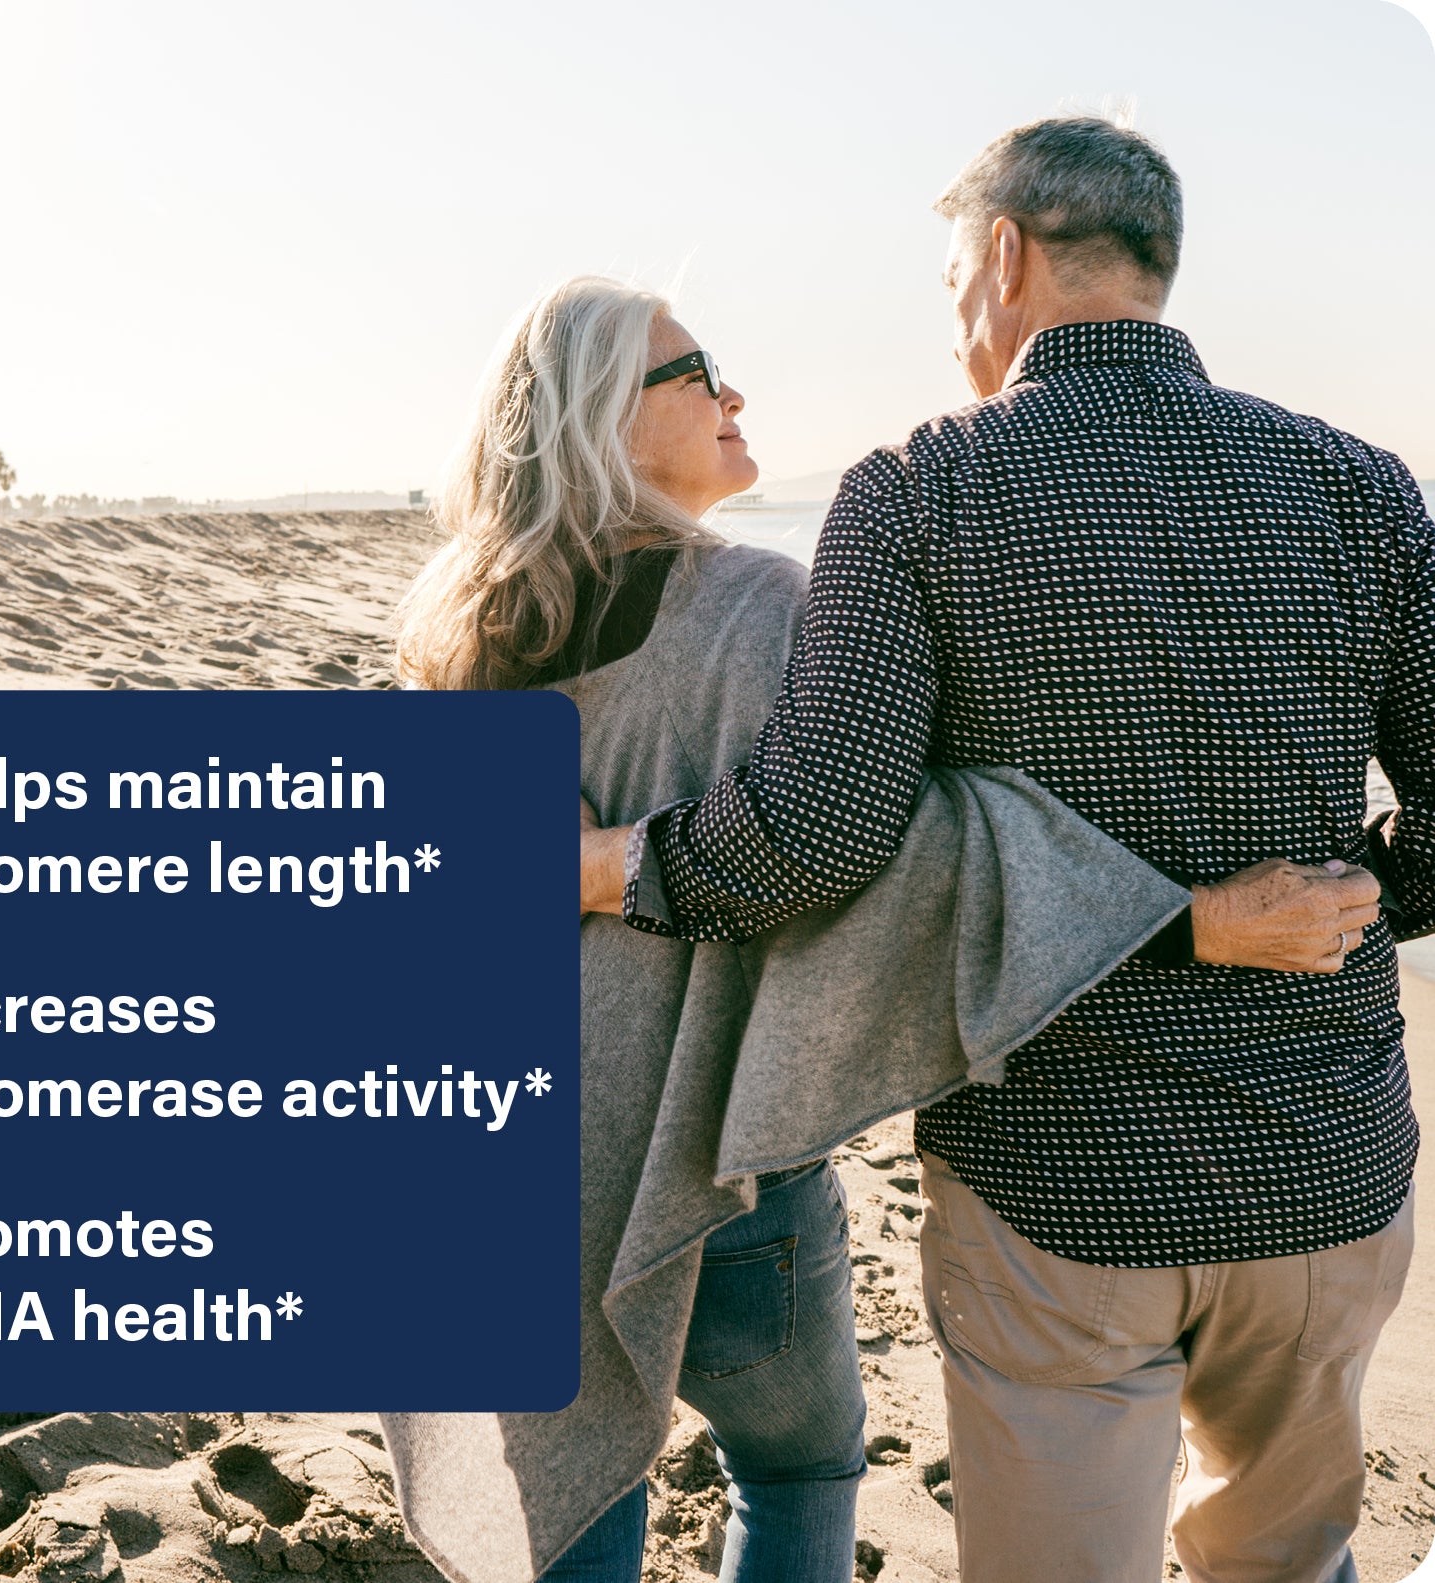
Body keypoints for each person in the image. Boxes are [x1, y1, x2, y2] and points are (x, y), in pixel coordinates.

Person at [383, 276, 1376, 1583]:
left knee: (567, 1500)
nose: (735, 394)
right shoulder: (759, 611)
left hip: (500, 1158)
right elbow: (903, 856)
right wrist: (1187, 920)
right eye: (698, 373)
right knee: (796, 1462)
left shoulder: (452, 626)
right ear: (604, 420)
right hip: (709, 1160)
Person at [582, 117, 1431, 1582]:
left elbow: (813, 836)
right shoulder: (1360, 485)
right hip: (1325, 1162)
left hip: (1057, 1172)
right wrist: (1359, 899)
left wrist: (610, 866)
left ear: (1003, 257)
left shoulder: (922, 487)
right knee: (1286, 1565)